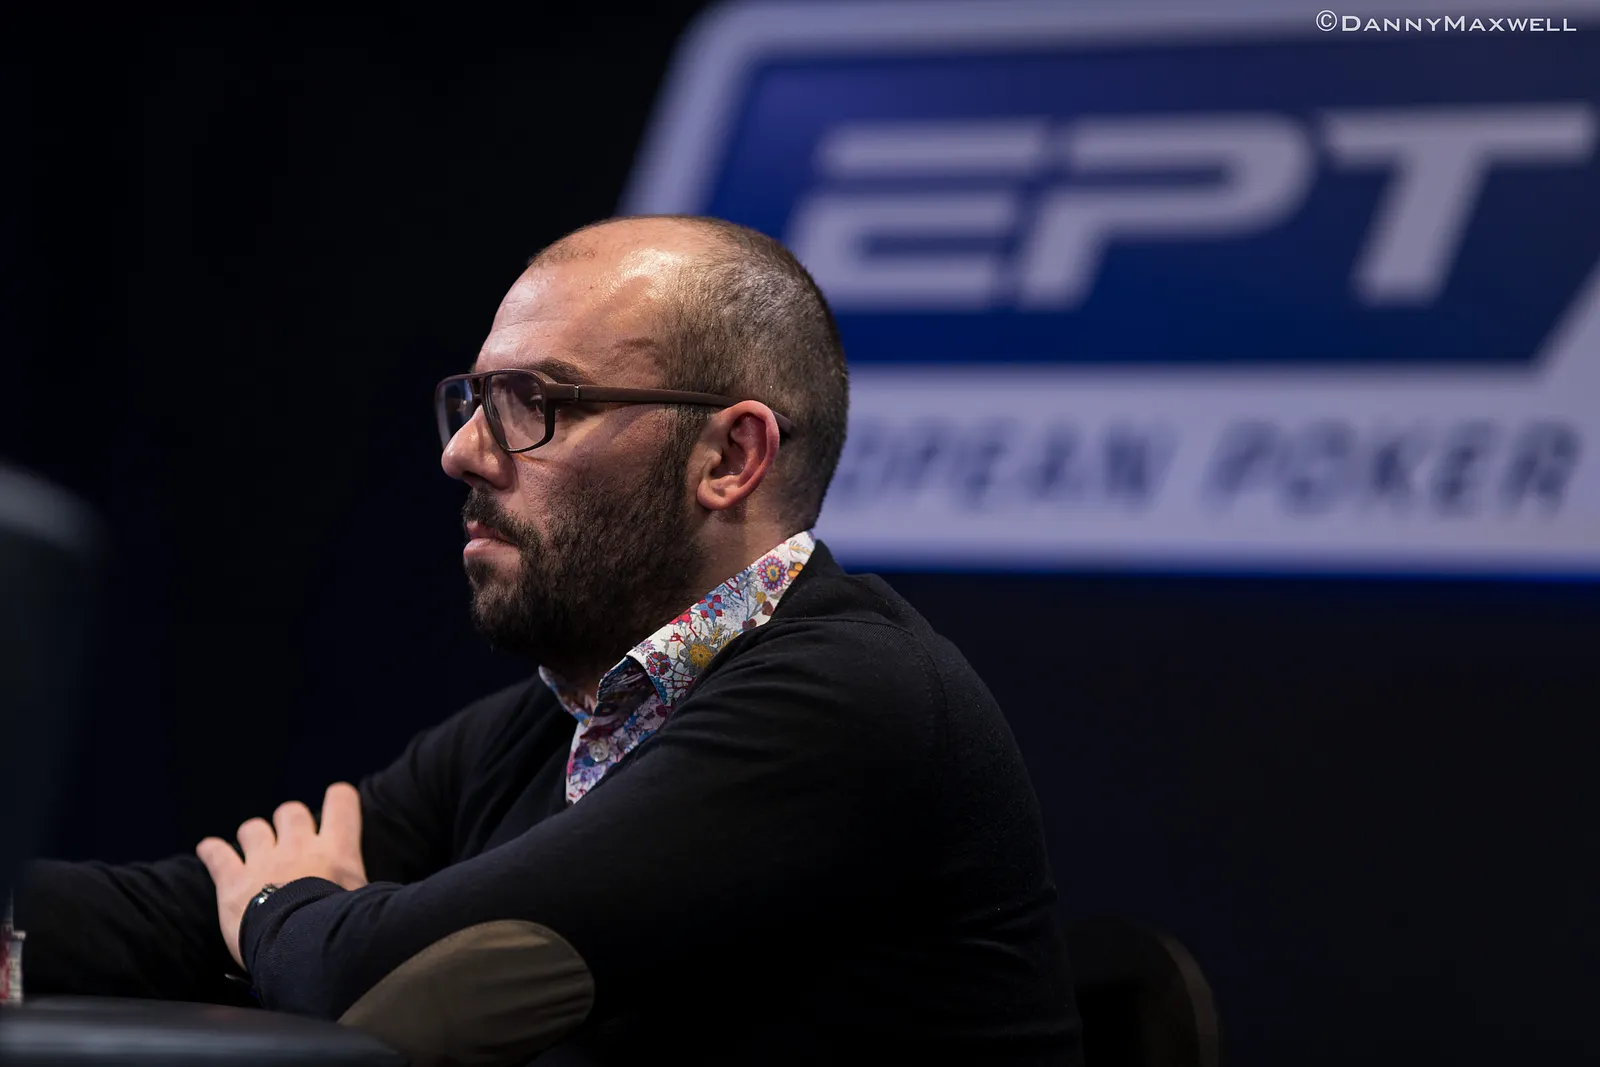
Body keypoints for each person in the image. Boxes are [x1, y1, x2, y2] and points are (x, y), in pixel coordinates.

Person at [16, 216, 1080, 1066]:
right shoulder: (553, 722)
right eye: (475, 400)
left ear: (729, 457)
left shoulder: (853, 701)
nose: (465, 454)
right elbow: (181, 918)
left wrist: (280, 905)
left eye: (535, 403)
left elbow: (383, 983)